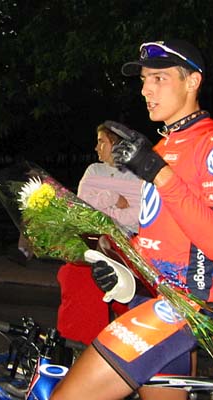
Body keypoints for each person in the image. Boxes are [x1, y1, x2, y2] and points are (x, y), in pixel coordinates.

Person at [51, 39, 213, 400]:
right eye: (144, 80)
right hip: (151, 293)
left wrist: (159, 173)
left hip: (184, 301)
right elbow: (160, 233)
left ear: (193, 81)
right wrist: (120, 262)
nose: (145, 89)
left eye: (159, 78)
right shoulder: (160, 148)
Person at [57, 123, 144, 345]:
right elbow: (82, 208)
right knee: (76, 280)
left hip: (125, 245)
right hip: (90, 242)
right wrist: (112, 197)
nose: (96, 148)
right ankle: (79, 345)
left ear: (116, 144)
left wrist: (105, 213)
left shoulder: (138, 177)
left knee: (128, 300)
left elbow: (135, 218)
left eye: (101, 142)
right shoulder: (94, 171)